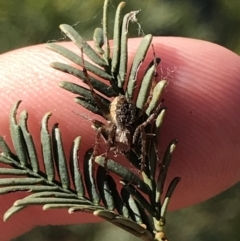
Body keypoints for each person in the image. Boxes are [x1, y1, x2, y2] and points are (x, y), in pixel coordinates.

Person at [0, 37, 240, 241]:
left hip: (123, 116)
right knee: (116, 121)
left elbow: (144, 126)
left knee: (138, 129)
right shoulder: (112, 130)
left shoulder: (126, 132)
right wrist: (100, 149)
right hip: (118, 115)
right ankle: (86, 69)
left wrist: (145, 152)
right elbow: (108, 128)